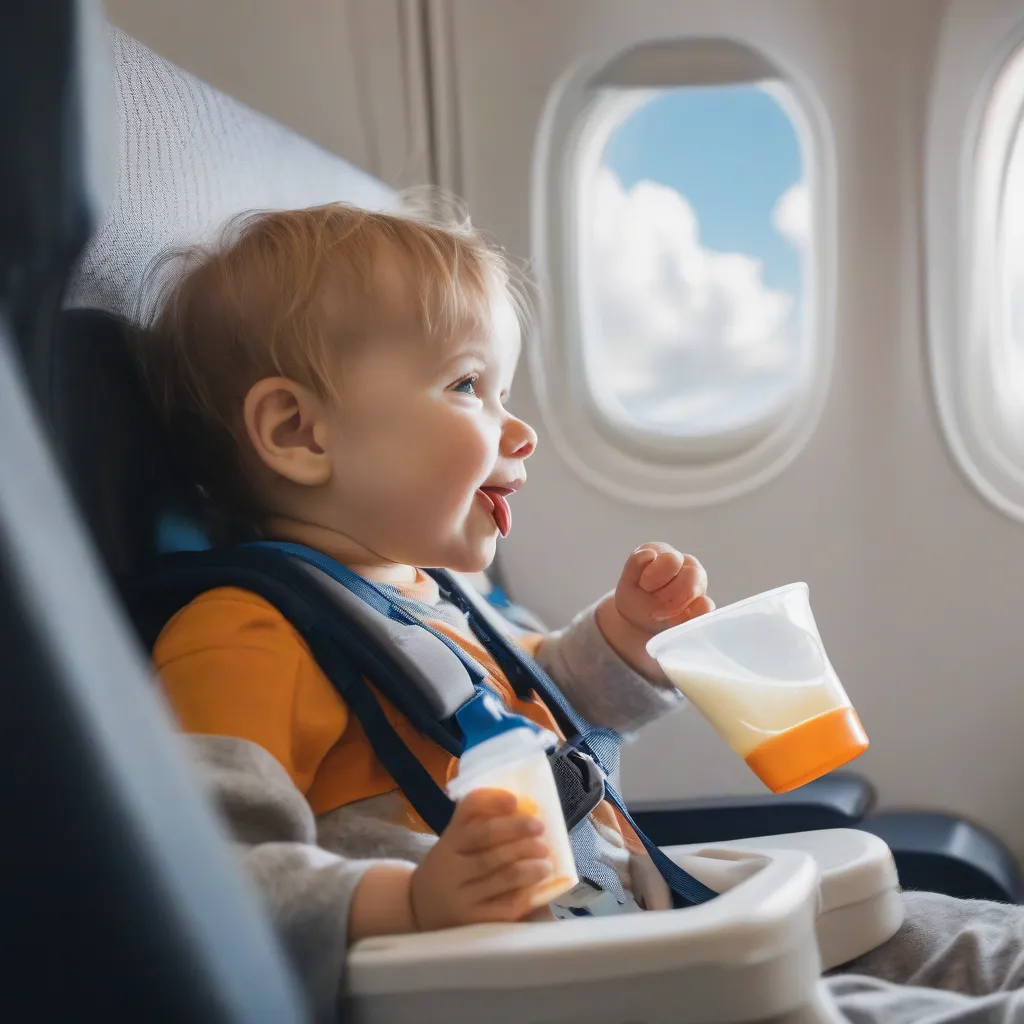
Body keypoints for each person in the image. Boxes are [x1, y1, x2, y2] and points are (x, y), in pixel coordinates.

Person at [138, 198, 1024, 1023]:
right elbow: (198, 882)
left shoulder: (437, 595)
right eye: (466, 387)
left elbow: (537, 696)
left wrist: (623, 640)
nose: (519, 432)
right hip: (548, 988)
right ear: (300, 433)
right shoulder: (244, 637)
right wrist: (408, 901)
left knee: (976, 943)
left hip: (636, 925)